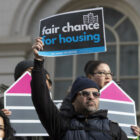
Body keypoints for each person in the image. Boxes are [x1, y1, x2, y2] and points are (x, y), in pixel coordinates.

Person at [31, 37, 128, 140]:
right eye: (85, 93)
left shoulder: (113, 128)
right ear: (73, 99)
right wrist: (38, 61)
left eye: (95, 94)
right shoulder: (61, 125)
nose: (91, 97)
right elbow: (41, 100)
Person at [84, 60, 140, 138]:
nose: (108, 77)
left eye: (109, 73)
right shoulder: (80, 99)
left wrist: (136, 135)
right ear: (90, 77)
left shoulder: (122, 99)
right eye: (101, 73)